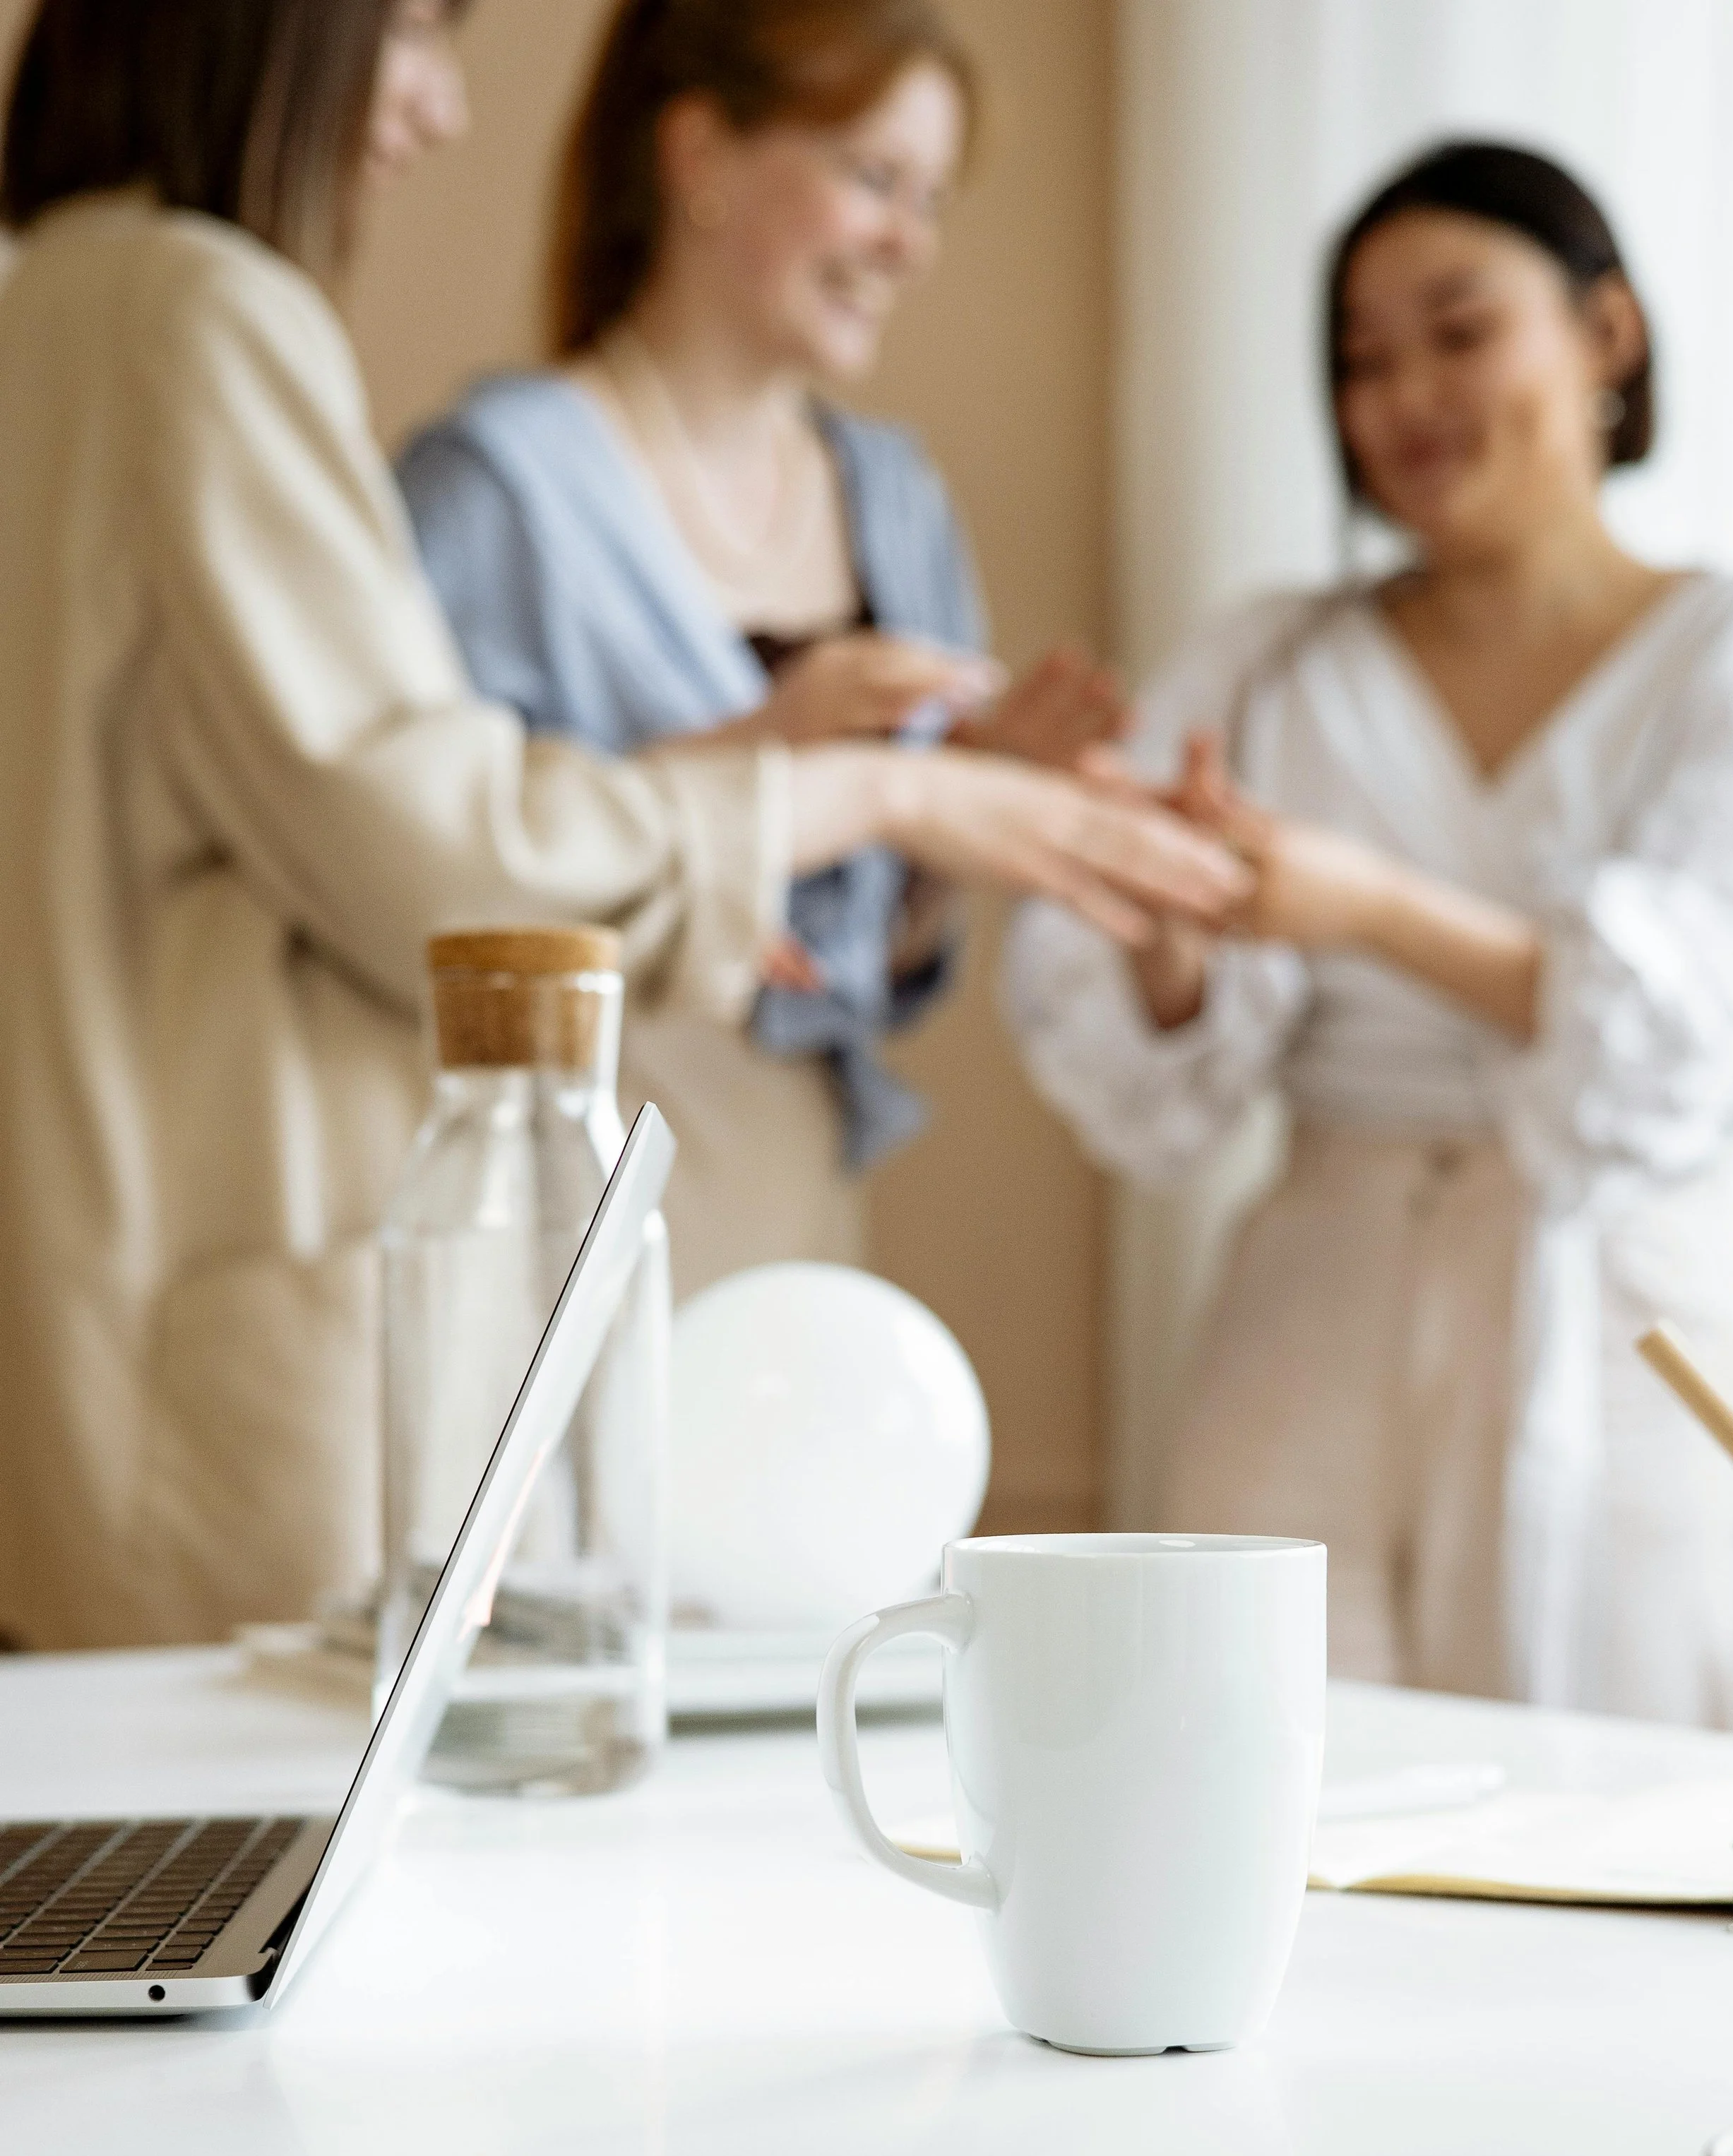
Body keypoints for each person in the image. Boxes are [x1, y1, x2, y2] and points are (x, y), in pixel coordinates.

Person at [0, 0, 1240, 1653]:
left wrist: (906, 832)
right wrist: (856, 786)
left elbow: (343, 799)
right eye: (421, 33)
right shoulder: (224, 329)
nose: (439, 106)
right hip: (388, 1270)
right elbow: (425, 843)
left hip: (663, 1231)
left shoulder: (63, 300)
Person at [1007, 141, 1733, 1727]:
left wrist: (1355, 906)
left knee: (1616, 1821)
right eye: (1359, 360)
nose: (1406, 394)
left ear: (1604, 335)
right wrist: (1171, 935)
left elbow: (1702, 1030)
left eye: (1457, 329)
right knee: (1263, 1772)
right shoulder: (1265, 661)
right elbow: (1153, 1079)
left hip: (1616, 1321)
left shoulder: (1726, 655)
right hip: (1313, 1316)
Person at [398, 0, 1130, 1293]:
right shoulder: (493, 490)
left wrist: (943, 839)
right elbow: (412, 884)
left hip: (787, 1187)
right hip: (542, 1205)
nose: (909, 242)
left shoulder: (892, 500)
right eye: (873, 178)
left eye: (934, 200)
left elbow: (865, 971)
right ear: (699, 157)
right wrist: (755, 756)